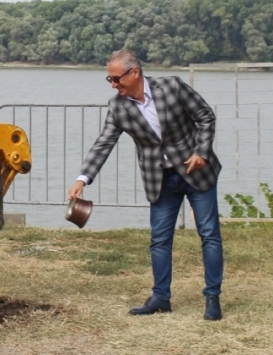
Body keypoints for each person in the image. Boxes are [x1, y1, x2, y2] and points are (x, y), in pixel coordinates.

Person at [68, 49, 225, 320]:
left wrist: (202, 152)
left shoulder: (172, 86)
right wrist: (83, 179)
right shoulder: (118, 106)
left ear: (135, 72)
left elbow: (205, 116)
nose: (114, 85)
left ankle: (213, 297)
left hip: (196, 171)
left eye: (117, 79)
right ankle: (160, 298)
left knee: (209, 234)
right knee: (159, 240)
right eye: (110, 80)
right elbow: (104, 143)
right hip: (160, 180)